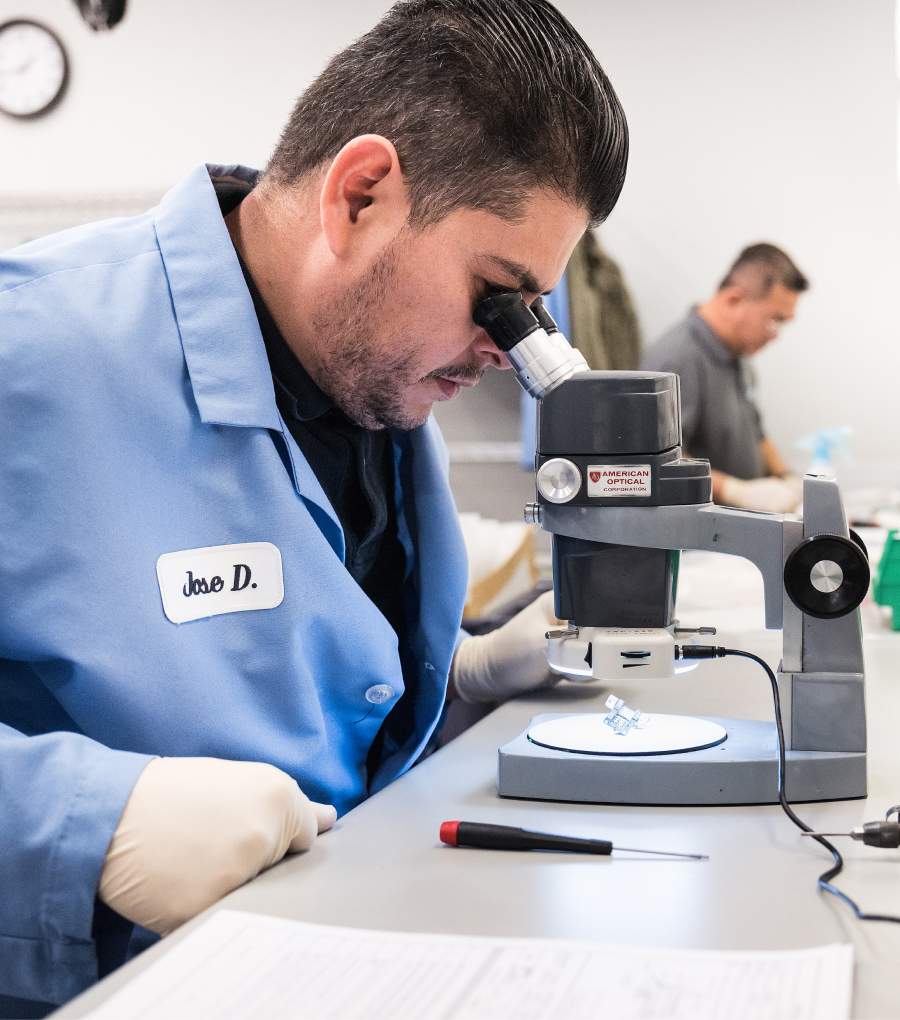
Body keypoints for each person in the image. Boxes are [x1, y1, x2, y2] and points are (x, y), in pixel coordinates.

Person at [0, 0, 629, 1011]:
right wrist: (86, 822)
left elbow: (305, 681)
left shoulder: (365, 379)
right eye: (496, 296)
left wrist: (462, 673)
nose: (503, 348)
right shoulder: (29, 348)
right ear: (363, 193)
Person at [641, 244, 809, 512]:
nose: (776, 334)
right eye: (774, 320)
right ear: (734, 300)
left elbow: (757, 432)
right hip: (700, 536)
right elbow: (658, 462)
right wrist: (734, 490)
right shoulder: (676, 359)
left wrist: (785, 476)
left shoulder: (739, 356)